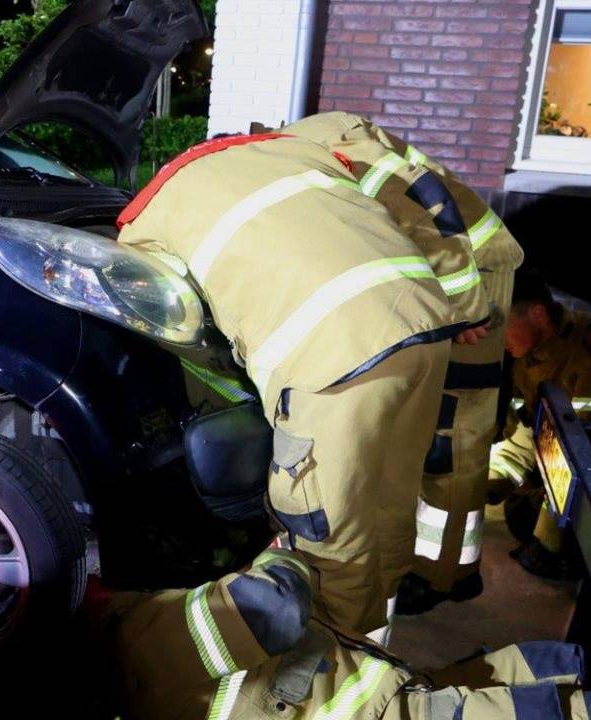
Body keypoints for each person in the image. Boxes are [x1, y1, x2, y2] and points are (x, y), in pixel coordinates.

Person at [116, 132, 471, 637]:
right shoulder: (299, 150)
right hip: (425, 323)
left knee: (326, 531)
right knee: (390, 498)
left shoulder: (147, 223)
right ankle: (385, 634)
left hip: (337, 355)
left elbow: (170, 325)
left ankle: (344, 667)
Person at [284, 112, 526, 616]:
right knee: (434, 433)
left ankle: (445, 576)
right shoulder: (308, 143)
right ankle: (441, 563)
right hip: (449, 268)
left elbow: (421, 208)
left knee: (453, 439)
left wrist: (463, 309)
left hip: (471, 273)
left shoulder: (328, 149)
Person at [93, 549, 591, 719]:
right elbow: (273, 607)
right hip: (375, 711)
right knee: (529, 713)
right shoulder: (131, 641)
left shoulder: (117, 655)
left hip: (378, 691)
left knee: (508, 671)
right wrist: (280, 552)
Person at [487, 272, 591, 579]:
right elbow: (529, 425)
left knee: (529, 523)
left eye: (503, 325)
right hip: (554, 464)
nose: (497, 338)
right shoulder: (527, 355)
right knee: (515, 511)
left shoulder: (587, 353)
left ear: (538, 314)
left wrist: (546, 539)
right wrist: (493, 478)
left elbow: (584, 456)